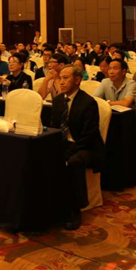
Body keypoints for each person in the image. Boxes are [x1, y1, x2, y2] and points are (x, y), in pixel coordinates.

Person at [50, 64, 105, 230]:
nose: (61, 82)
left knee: (74, 161)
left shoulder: (88, 102)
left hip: (86, 146)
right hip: (64, 143)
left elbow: (90, 135)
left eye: (66, 78)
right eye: (60, 78)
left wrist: (69, 150)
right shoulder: (58, 100)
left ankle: (75, 209)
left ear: (77, 80)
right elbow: (54, 127)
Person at [94, 59, 136, 184]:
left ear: (123, 71)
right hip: (111, 119)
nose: (111, 71)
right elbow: (94, 100)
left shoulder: (131, 83)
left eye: (115, 68)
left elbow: (126, 103)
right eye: (110, 68)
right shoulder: (105, 82)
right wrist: (110, 103)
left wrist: (106, 103)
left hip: (132, 120)